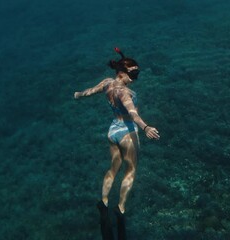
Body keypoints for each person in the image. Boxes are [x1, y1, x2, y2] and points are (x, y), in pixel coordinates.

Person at [74, 48, 160, 240]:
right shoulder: (125, 93)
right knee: (130, 171)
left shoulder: (107, 83)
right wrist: (145, 128)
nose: (135, 78)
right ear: (122, 73)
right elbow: (133, 114)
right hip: (127, 133)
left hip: (113, 130)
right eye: (133, 74)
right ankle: (120, 209)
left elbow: (90, 92)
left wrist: (78, 94)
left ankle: (103, 202)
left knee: (113, 169)